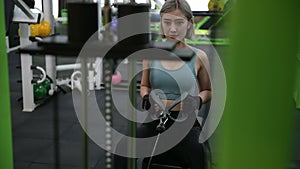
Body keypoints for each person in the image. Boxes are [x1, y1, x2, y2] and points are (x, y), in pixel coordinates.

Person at [113, 0, 211, 168]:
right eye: (167, 22)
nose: (173, 29)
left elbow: (208, 90)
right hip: (156, 120)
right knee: (122, 150)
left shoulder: (199, 56)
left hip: (185, 122)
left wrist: (196, 101)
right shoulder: (150, 54)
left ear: (189, 24)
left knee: (199, 156)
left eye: (179, 22)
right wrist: (146, 97)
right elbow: (145, 86)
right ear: (161, 24)